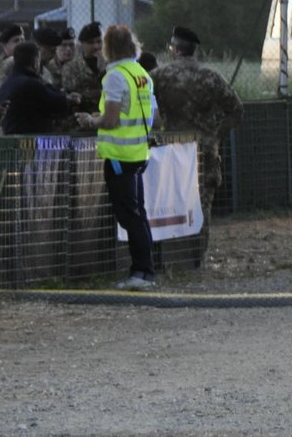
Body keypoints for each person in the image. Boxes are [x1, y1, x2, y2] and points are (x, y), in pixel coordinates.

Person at [76, 25, 158, 289]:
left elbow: (110, 120)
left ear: (109, 48)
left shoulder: (115, 76)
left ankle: (140, 272)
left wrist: (90, 120)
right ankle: (146, 271)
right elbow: (154, 116)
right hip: (138, 153)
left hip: (119, 156)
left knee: (129, 215)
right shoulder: (141, 73)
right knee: (138, 213)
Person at [152, 26, 244, 216]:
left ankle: (177, 245)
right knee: (201, 210)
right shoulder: (211, 76)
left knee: (172, 208)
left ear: (176, 49)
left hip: (172, 150)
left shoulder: (159, 76)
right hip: (204, 151)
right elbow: (236, 110)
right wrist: (216, 135)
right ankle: (199, 244)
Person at [0, 41, 77, 134]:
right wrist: (69, 99)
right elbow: (56, 103)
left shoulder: (8, 83)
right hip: (29, 142)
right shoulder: (31, 84)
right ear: (35, 61)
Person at [62, 21, 106, 114]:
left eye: (99, 41)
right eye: (91, 42)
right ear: (82, 44)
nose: (96, 46)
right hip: (82, 116)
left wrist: (104, 71)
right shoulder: (71, 67)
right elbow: (70, 94)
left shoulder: (111, 65)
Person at [0, 23, 24, 94]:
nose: (21, 43)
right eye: (16, 41)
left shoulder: (26, 63)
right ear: (4, 44)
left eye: (22, 40)